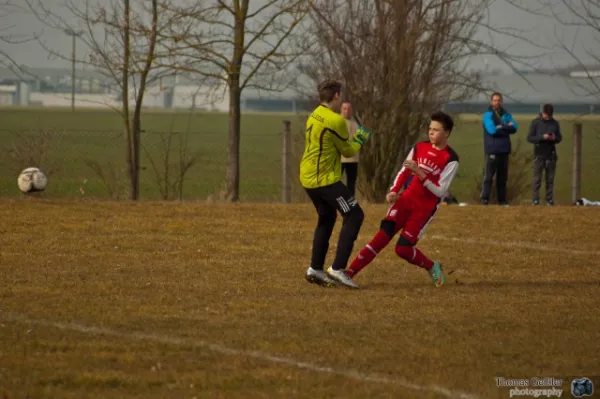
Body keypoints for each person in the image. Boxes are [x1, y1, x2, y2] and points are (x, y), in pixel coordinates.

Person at [345, 111, 459, 287]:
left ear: (447, 133)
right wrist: (394, 190)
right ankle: (348, 274)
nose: (431, 133)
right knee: (380, 238)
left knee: (402, 249)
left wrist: (420, 173)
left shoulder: (451, 159)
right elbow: (405, 170)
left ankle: (431, 266)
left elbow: (440, 191)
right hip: (405, 201)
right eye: (430, 129)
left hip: (423, 210)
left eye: (436, 130)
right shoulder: (419, 147)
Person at [299, 79, 372, 288]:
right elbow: (348, 151)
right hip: (325, 180)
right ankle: (338, 269)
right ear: (337, 96)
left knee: (327, 217)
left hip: (308, 177)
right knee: (355, 214)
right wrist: (360, 138)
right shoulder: (336, 120)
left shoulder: (314, 114)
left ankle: (315, 269)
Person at [480, 92, 518, 205]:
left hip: (504, 150)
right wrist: (507, 127)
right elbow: (492, 130)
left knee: (502, 178)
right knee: (488, 177)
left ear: (501, 101)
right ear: (491, 102)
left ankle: (502, 200)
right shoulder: (487, 115)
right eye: (495, 100)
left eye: (499, 100)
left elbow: (515, 128)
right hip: (492, 149)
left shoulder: (506, 114)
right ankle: (484, 199)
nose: (497, 102)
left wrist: (501, 127)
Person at [527, 103, 562, 205]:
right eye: (546, 115)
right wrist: (542, 137)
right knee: (536, 179)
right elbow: (530, 138)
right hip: (539, 155)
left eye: (550, 115)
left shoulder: (555, 123)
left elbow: (560, 138)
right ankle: (535, 200)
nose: (548, 117)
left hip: (551, 155)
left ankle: (549, 199)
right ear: (543, 113)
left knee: (550, 179)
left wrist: (554, 138)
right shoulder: (535, 123)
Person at [340, 102, 359, 197]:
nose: (347, 111)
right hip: (340, 158)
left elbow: (361, 138)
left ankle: (351, 202)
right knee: (336, 181)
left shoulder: (356, 121)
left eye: (349, 109)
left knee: (351, 182)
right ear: (341, 110)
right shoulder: (337, 121)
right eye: (345, 109)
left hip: (353, 158)